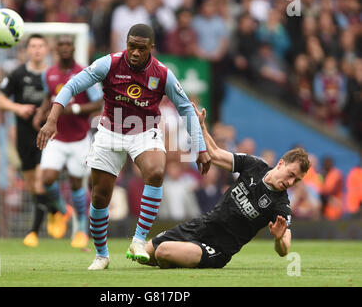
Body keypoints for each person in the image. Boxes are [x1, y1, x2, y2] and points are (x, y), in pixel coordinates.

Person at [37, 24, 211, 270]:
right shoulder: (108, 63)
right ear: (126, 44)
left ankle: (138, 241)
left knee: (156, 172)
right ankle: (101, 255)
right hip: (109, 132)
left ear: (151, 48)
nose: (136, 52)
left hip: (145, 131)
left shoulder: (162, 73)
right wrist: (52, 119)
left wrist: (201, 148)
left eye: (141, 48)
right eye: (132, 47)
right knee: (99, 197)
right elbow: (72, 86)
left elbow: (185, 108)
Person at [140, 103, 310, 269]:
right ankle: (177, 259)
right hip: (202, 226)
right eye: (291, 175)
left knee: (163, 251)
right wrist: (201, 126)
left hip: (217, 248)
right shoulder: (255, 166)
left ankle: (175, 259)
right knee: (144, 255)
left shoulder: (280, 204)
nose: (290, 182)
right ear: (281, 164)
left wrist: (280, 240)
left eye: (296, 181)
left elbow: (284, 247)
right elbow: (214, 155)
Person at [0, 34, 70, 247]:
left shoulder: (53, 75)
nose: (37, 50)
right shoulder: (18, 74)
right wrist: (18, 108)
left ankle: (33, 232)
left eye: (40, 46)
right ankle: (56, 210)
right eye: (33, 46)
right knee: (32, 185)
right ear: (27, 50)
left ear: (46, 50)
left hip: (47, 136)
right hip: (24, 137)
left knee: (39, 182)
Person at [33, 35, 104, 247]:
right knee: (46, 179)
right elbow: (48, 97)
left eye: (68, 45)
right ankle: (64, 211)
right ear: (56, 48)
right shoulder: (49, 73)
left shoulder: (85, 74)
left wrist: (73, 108)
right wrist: (42, 113)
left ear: (73, 48)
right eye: (61, 44)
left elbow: (99, 103)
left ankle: (81, 228)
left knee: (76, 184)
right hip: (57, 137)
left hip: (79, 138)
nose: (65, 48)